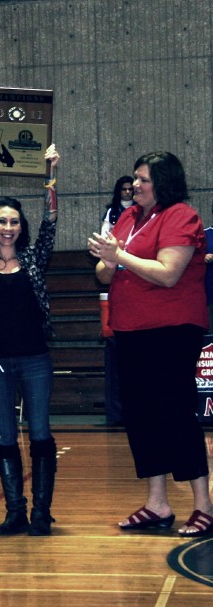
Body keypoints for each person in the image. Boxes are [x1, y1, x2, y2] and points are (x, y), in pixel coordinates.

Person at [89, 151, 213, 537]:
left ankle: (203, 505)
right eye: (135, 179)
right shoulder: (127, 218)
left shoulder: (181, 217)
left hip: (171, 330)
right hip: (129, 330)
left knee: (174, 412)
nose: (136, 186)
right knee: (141, 415)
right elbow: (103, 274)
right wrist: (108, 262)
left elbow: (168, 273)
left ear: (163, 182)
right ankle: (157, 503)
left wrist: (120, 255)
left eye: (143, 180)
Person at [0, 144, 61, 537]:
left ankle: (41, 513)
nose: (8, 227)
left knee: (39, 432)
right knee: (5, 435)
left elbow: (52, 218)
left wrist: (51, 174)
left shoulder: (35, 259)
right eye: (2, 221)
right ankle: (15, 512)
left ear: (22, 227)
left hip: (36, 359)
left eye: (15, 222)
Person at [99, 176, 134, 426]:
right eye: (123, 189)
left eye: (130, 189)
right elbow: (104, 242)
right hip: (116, 269)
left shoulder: (143, 213)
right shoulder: (113, 213)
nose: (128, 192)